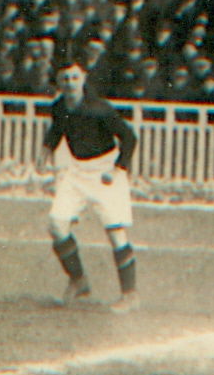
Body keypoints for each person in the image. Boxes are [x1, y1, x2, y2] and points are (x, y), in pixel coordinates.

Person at [40, 61, 141, 312]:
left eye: (75, 77)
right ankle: (79, 280)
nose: (70, 83)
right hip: (77, 171)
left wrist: (117, 169)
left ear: (84, 78)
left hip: (105, 170)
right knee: (56, 224)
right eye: (65, 78)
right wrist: (45, 152)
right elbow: (56, 129)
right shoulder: (59, 106)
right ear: (58, 81)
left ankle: (130, 295)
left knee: (115, 232)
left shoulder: (99, 108)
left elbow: (129, 137)